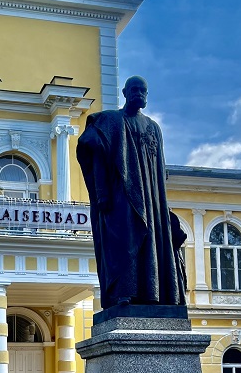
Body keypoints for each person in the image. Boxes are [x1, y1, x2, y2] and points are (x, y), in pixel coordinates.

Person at [77, 75, 186, 308]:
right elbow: (93, 149)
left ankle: (152, 294)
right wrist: (102, 192)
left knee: (151, 242)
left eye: (143, 91)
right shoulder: (111, 121)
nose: (139, 94)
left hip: (151, 198)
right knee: (124, 242)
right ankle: (123, 292)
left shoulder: (154, 128)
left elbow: (159, 170)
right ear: (125, 93)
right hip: (122, 194)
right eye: (134, 89)